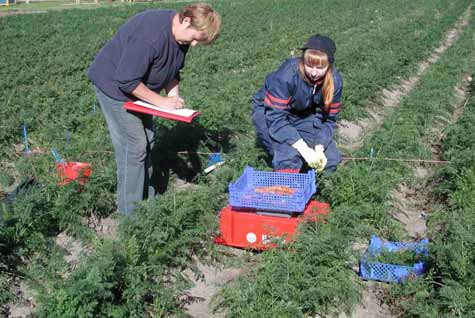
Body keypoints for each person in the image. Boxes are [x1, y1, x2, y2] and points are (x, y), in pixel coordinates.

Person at [87, 3, 221, 214]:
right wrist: (160, 102)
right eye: (195, 38)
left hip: (138, 90)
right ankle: (130, 217)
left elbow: (174, 69)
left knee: (148, 141)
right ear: (186, 21)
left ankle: (144, 201)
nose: (194, 45)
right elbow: (126, 80)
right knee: (135, 147)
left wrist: (173, 94)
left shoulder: (180, 35)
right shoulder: (151, 35)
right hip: (114, 88)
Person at [252, 34, 343, 174]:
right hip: (269, 111)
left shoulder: (334, 82)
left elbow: (328, 119)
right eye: (309, 65)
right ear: (303, 61)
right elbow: (276, 117)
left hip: (302, 112)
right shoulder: (288, 75)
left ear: (329, 66)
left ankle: (315, 189)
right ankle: (287, 191)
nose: (313, 72)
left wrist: (319, 146)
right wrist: (302, 147)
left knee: (331, 159)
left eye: (320, 67)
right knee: (288, 156)